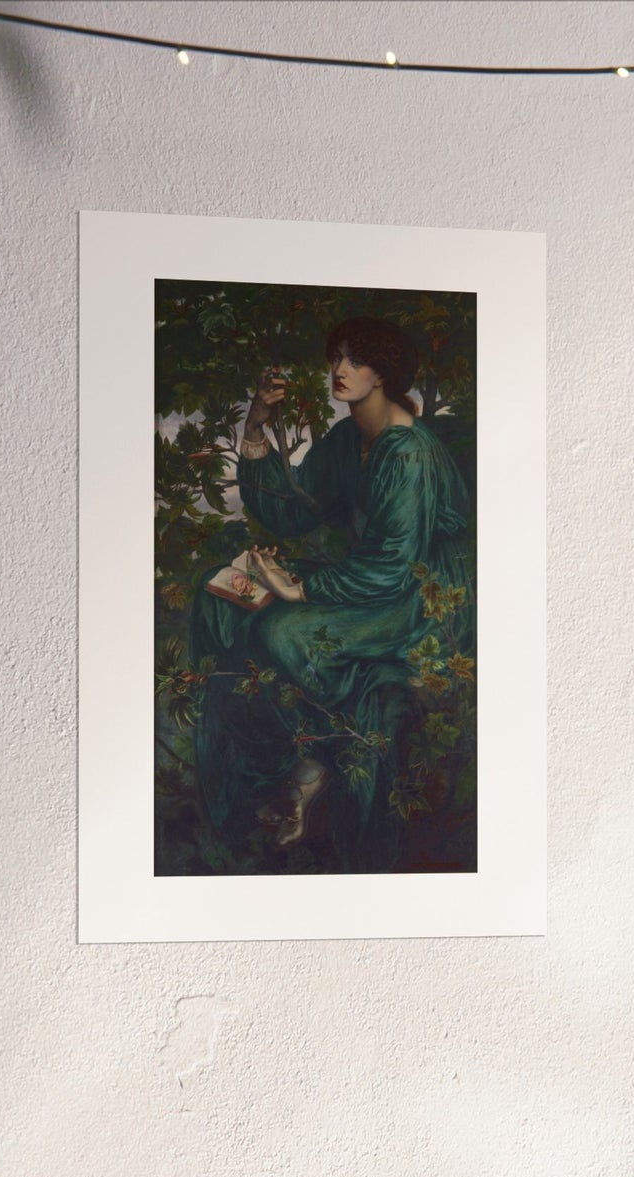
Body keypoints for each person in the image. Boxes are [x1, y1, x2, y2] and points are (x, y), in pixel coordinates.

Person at [187, 316, 472, 872]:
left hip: (415, 598)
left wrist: (300, 587)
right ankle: (266, 768)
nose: (339, 371)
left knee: (281, 628)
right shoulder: (349, 439)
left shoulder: (407, 452)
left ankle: (315, 768)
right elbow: (290, 513)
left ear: (383, 373)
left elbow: (395, 564)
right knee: (220, 595)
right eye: (336, 357)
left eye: (356, 360)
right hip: (367, 577)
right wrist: (256, 426)